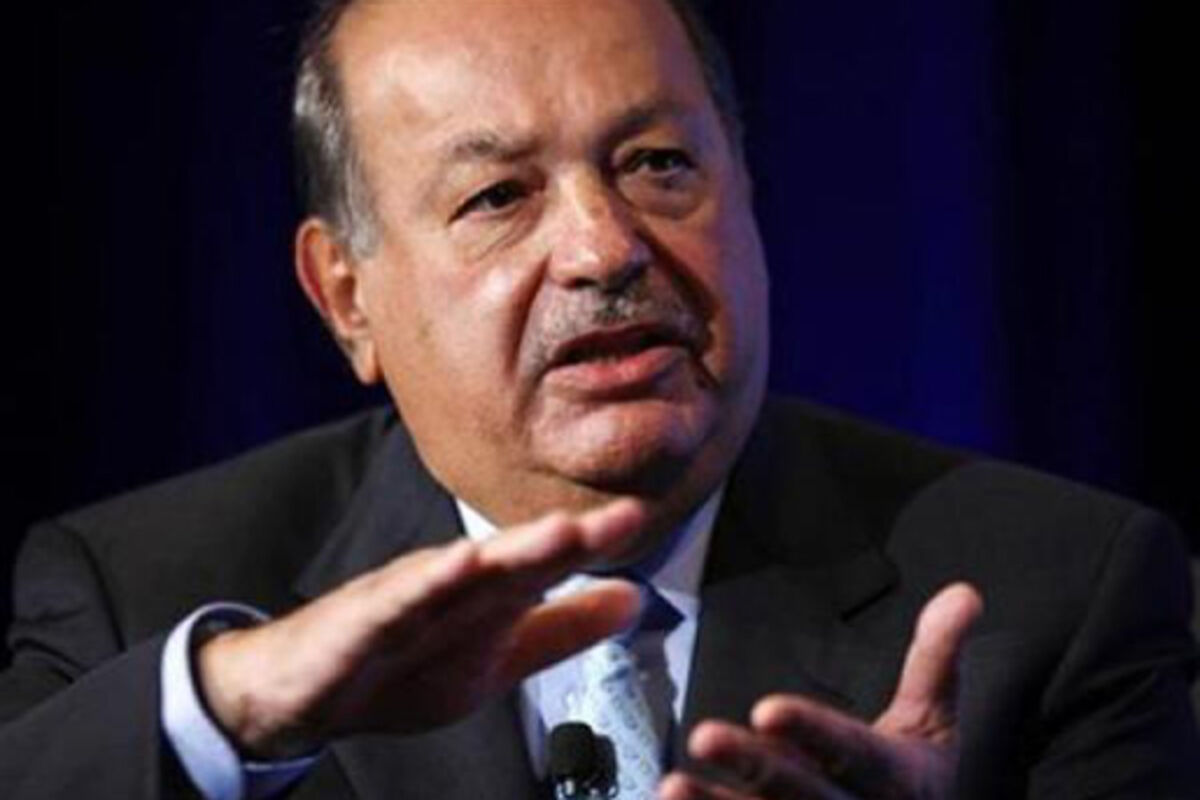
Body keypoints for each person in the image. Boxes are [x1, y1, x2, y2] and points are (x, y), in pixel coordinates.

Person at [4, 0, 1197, 797]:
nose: (603, 247)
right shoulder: (140, 603)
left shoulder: (1061, 592)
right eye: (497, 197)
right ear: (347, 297)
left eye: (658, 165)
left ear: (748, 193)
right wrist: (235, 709)